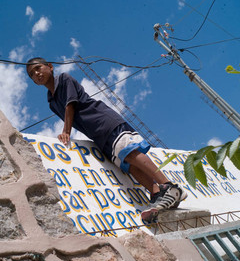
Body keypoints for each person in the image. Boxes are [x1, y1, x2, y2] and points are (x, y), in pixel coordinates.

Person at [26, 57, 186, 222]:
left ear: (50, 66)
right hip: (96, 135)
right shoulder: (51, 102)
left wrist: (66, 131)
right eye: (32, 74)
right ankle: (157, 194)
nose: (36, 74)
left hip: (104, 121)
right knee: (128, 166)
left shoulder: (64, 78)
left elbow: (70, 105)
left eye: (38, 68)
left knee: (129, 153)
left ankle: (169, 187)